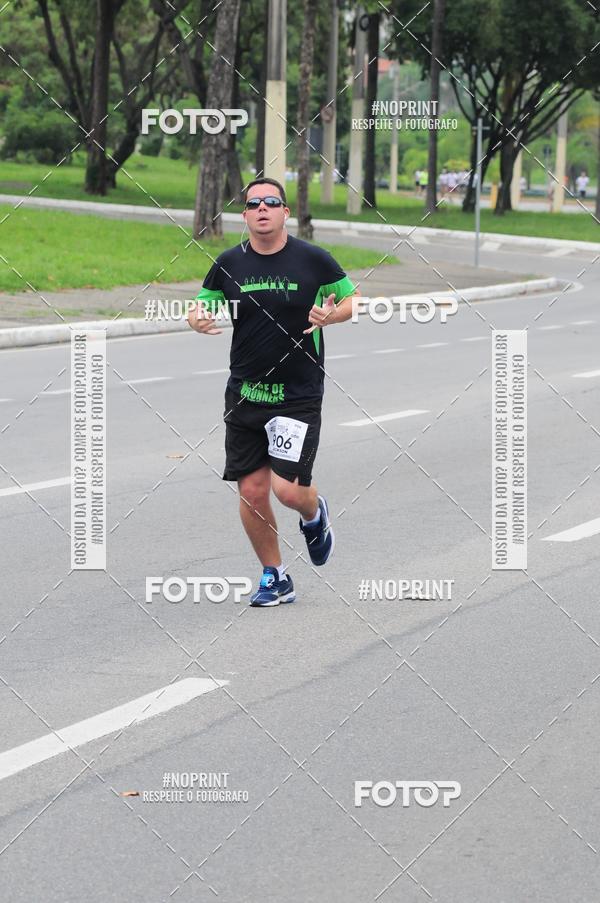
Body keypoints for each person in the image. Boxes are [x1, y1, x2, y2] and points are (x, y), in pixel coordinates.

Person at [187, 177, 357, 607]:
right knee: (252, 491)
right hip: (245, 392)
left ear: (285, 212)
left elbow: (352, 301)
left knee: (287, 491)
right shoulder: (227, 263)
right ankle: (274, 574)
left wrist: (330, 315)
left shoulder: (313, 260)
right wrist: (197, 317)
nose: (263, 208)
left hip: (297, 393)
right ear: (244, 215)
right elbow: (202, 304)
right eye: (254, 203)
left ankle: (314, 513)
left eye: (272, 202)